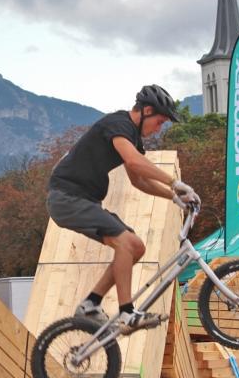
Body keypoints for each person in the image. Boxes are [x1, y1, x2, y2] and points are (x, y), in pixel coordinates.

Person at [47, 84, 200, 330]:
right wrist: (174, 182)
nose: (158, 129)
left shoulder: (131, 137)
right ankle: (127, 313)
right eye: (159, 122)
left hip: (82, 201)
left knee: (135, 247)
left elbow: (139, 180)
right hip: (67, 198)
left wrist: (174, 197)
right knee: (126, 242)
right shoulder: (118, 124)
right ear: (147, 111)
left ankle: (90, 304)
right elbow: (134, 161)